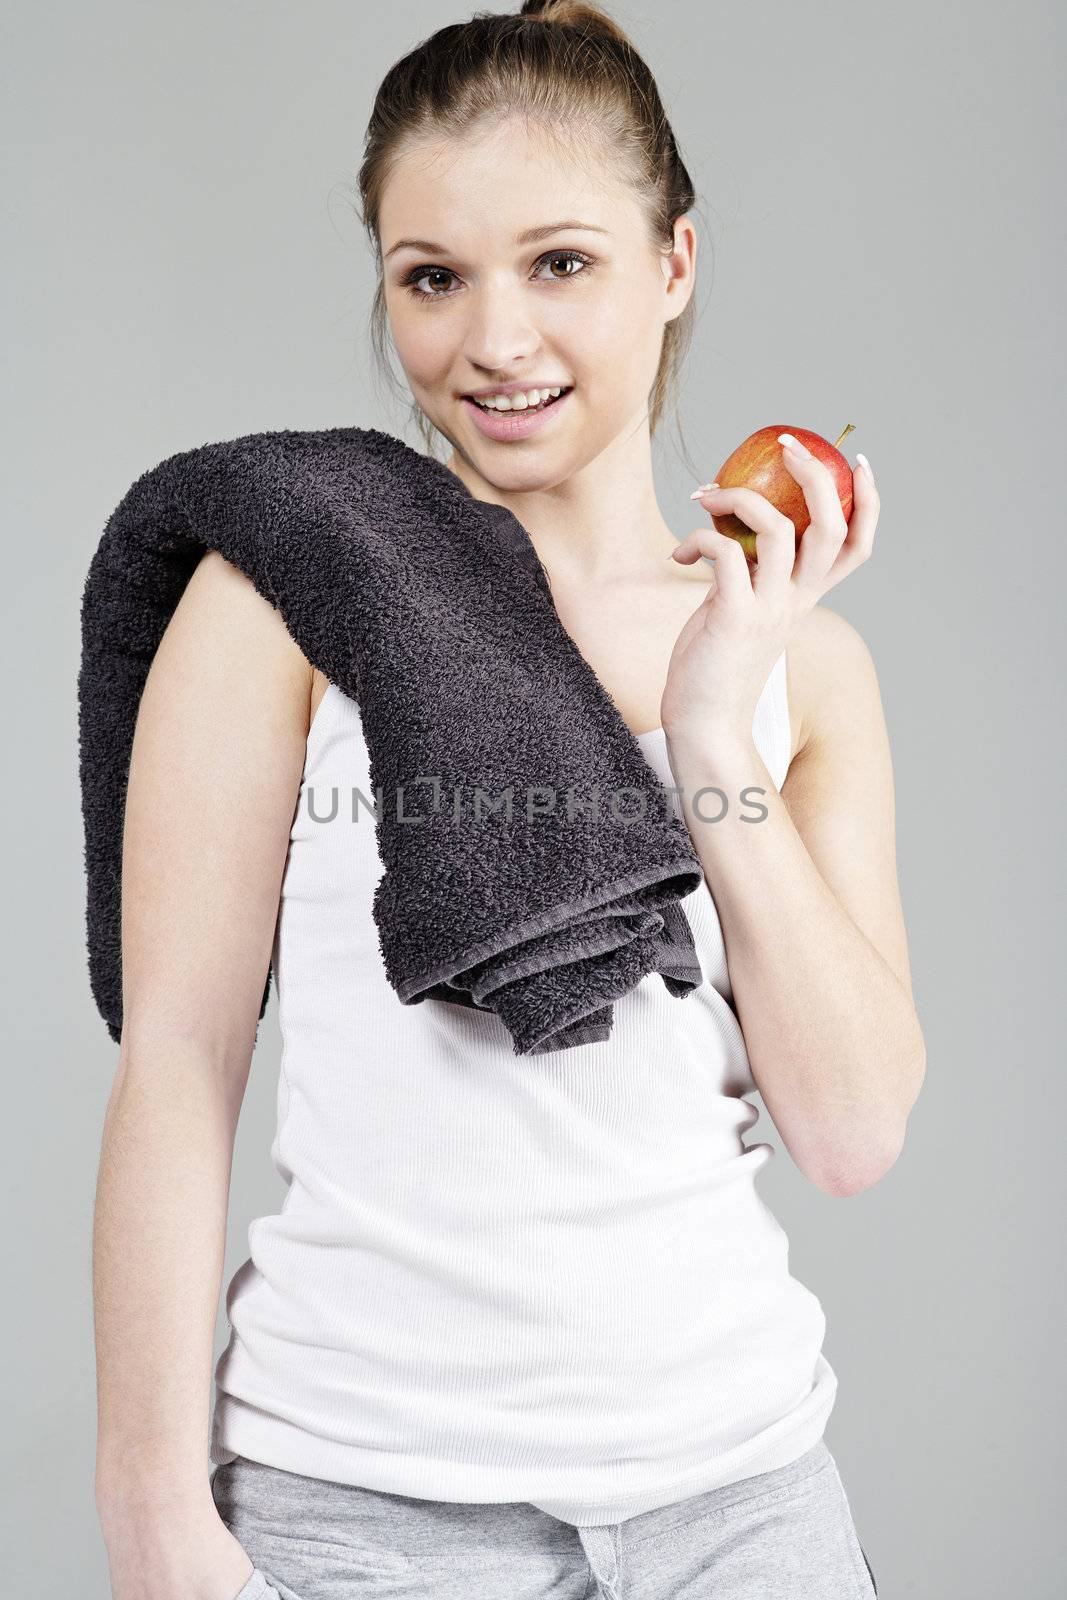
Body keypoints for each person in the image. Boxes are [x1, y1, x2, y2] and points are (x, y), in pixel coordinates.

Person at [92, 2, 925, 1596]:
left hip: (742, 1504)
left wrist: (709, 728)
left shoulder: (803, 672)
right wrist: (152, 1513)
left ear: (674, 261)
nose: (495, 342)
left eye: (561, 263)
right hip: (366, 1511)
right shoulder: (280, 600)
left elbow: (852, 1128)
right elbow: (180, 1058)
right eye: (433, 277)